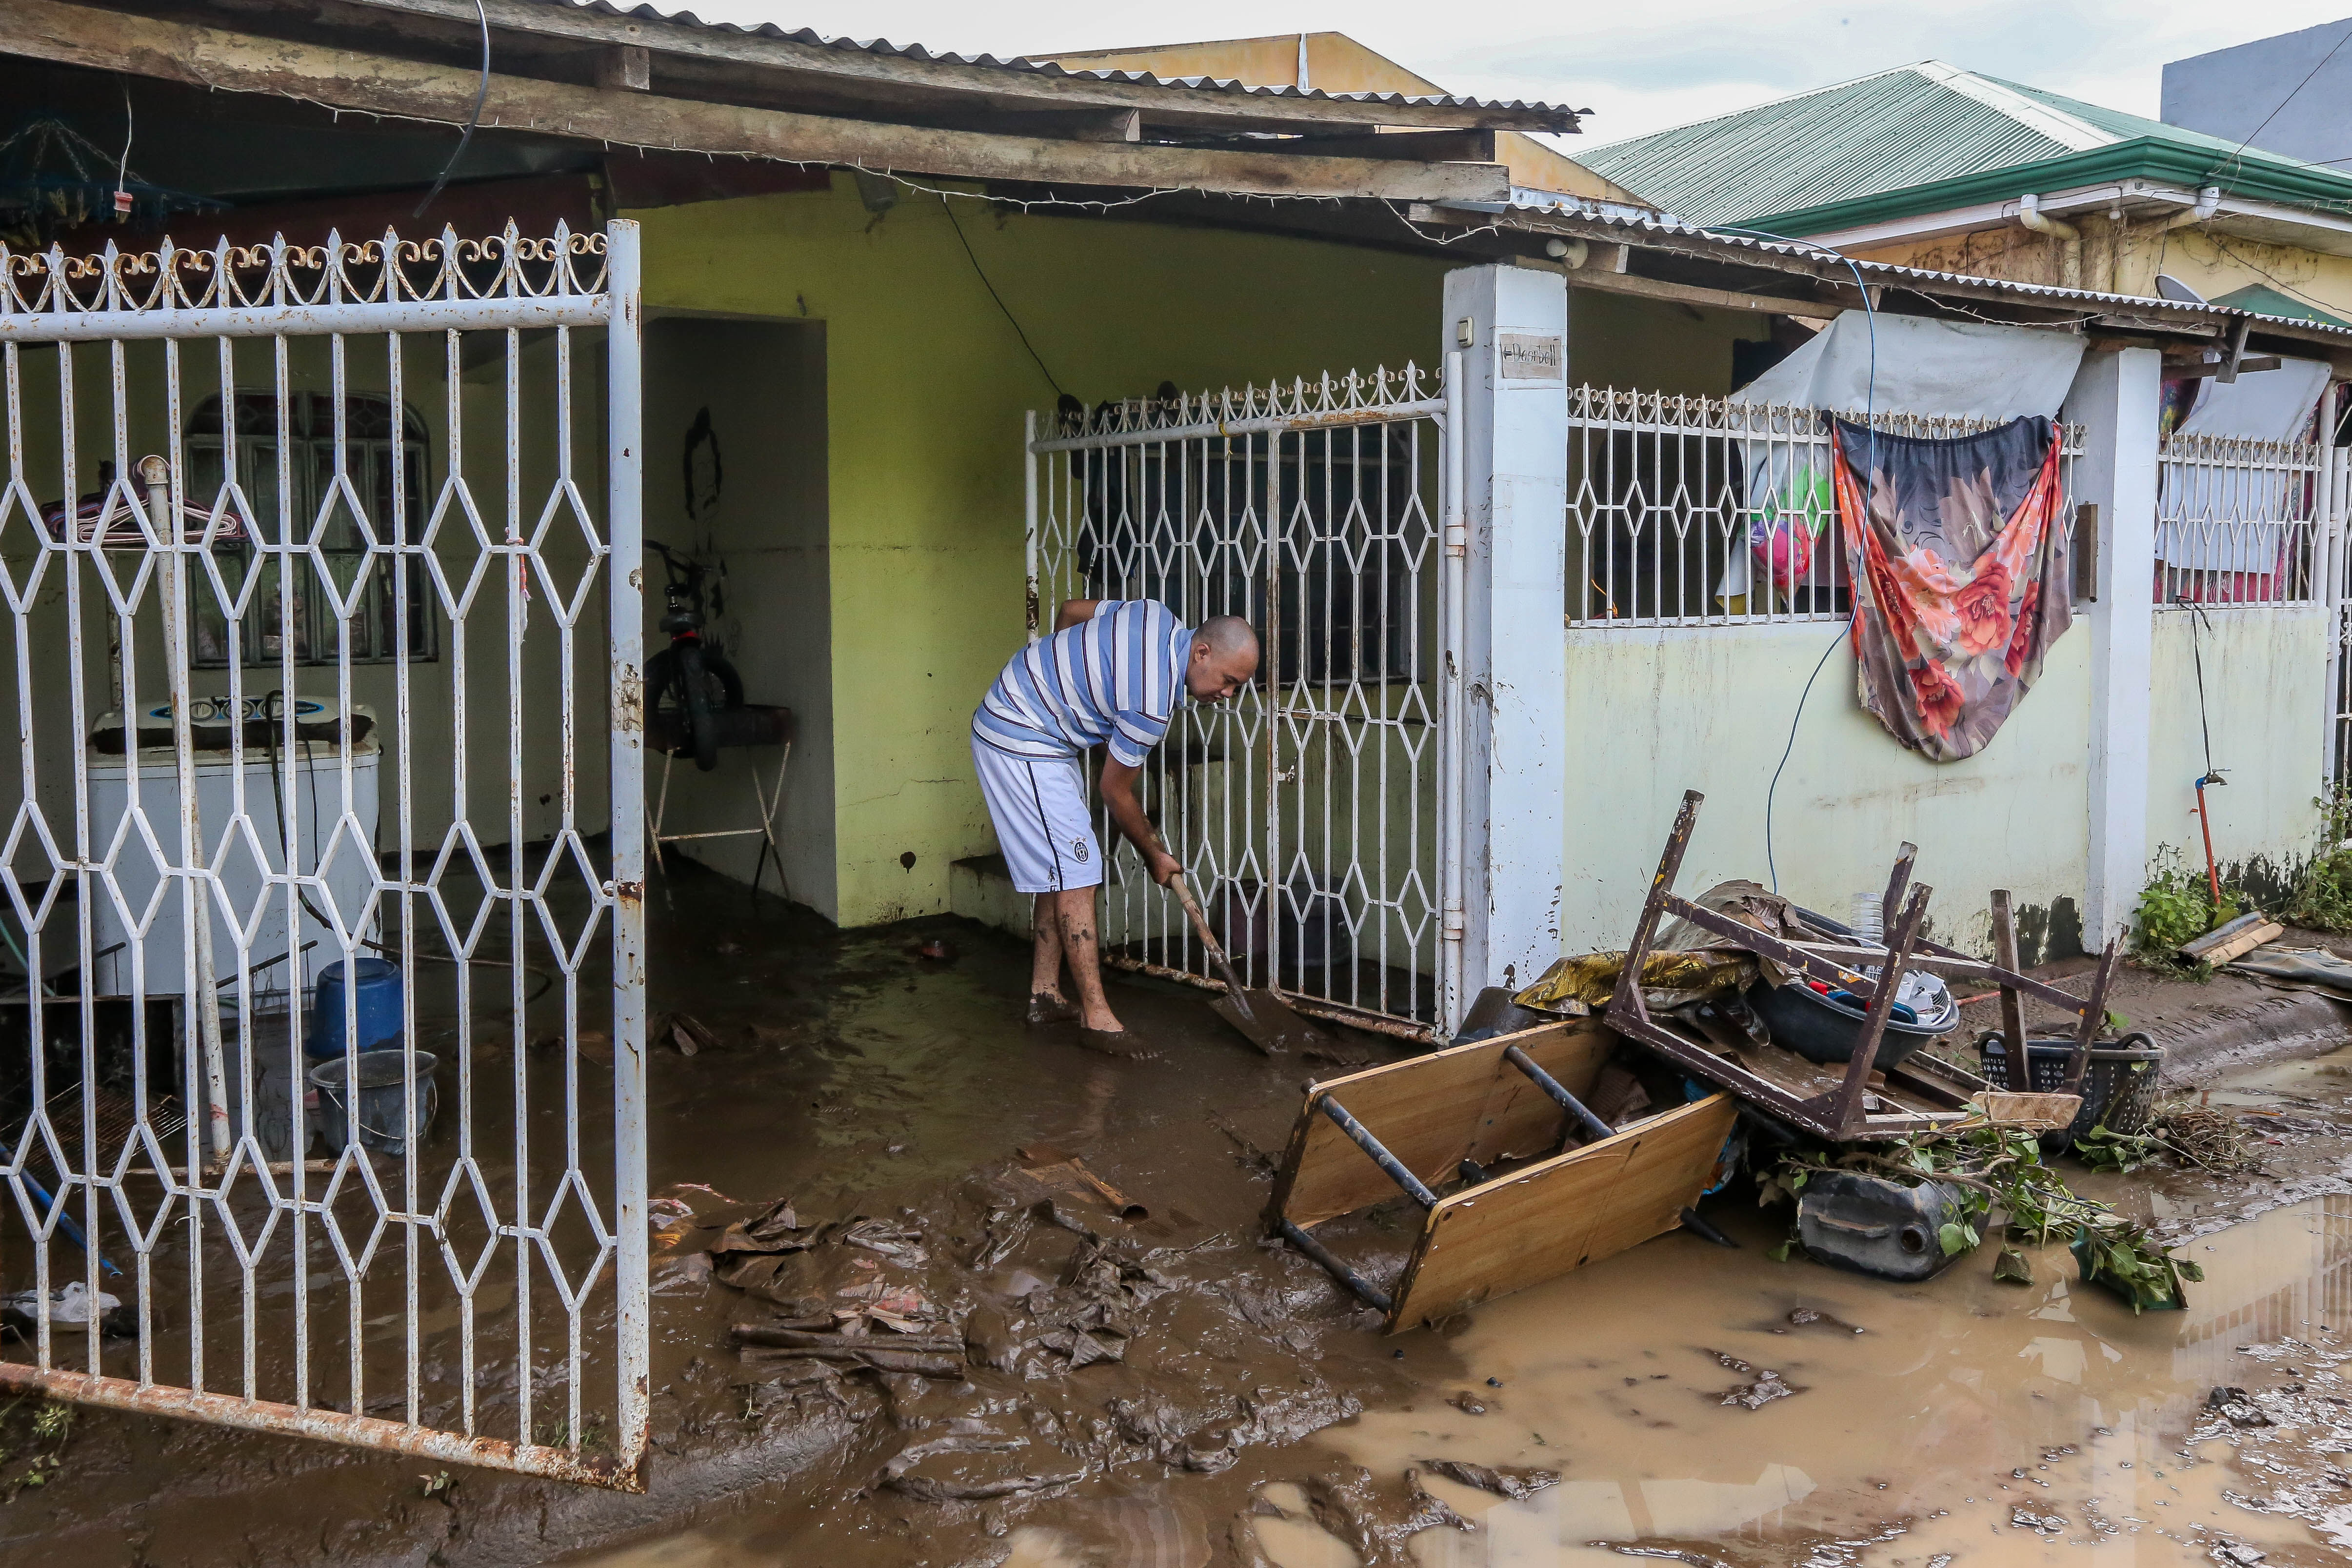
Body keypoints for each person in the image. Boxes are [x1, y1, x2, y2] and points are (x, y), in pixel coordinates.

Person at [971, 598, 1260, 1035]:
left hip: (1037, 723)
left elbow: (1070, 611)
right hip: (1021, 734)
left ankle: (1045, 993)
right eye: (1228, 680)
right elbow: (1114, 790)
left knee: (1062, 867)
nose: (1228, 695)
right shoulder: (1150, 704)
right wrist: (1155, 853)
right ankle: (1097, 1016)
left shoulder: (1155, 615)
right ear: (1202, 653)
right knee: (1079, 870)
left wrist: (1062, 677)